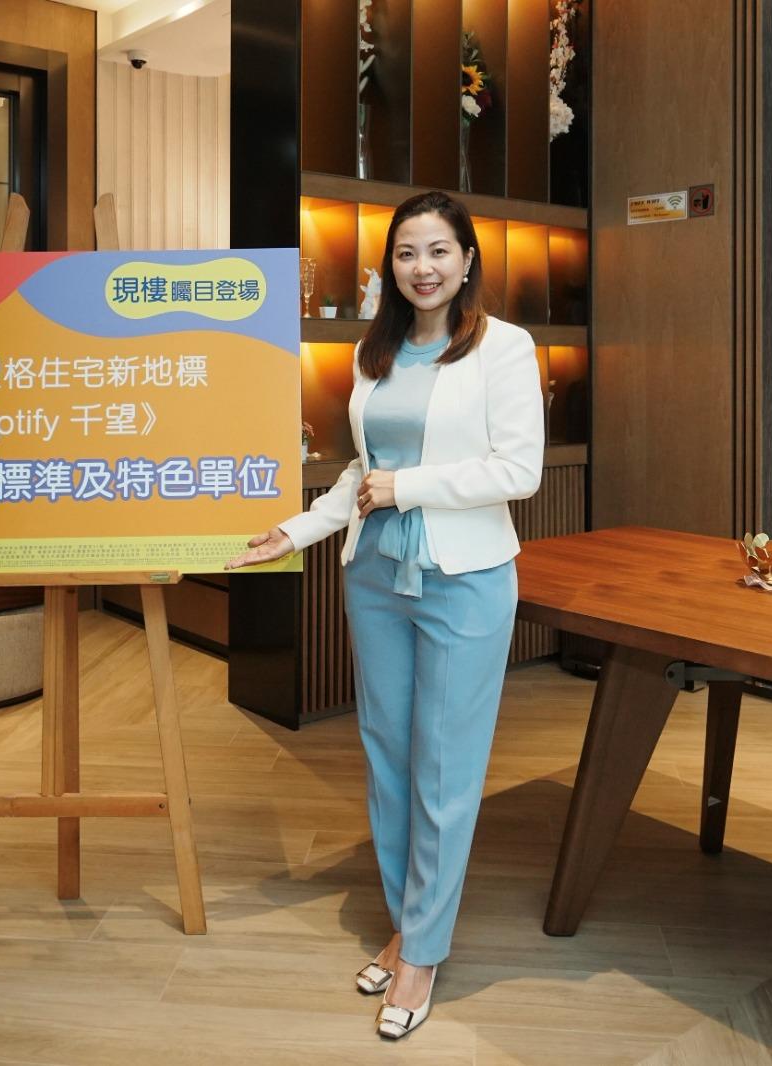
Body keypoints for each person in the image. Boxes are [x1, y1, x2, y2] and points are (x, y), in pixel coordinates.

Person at [225, 190, 544, 1039]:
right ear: (390, 265)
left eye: (438, 251)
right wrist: (294, 529)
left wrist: (409, 486)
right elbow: (361, 473)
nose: (422, 267)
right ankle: (409, 921)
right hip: (374, 575)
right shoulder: (378, 352)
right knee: (390, 759)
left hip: (464, 578)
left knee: (445, 768)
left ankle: (423, 953)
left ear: (467, 260)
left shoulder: (504, 347)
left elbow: (519, 470)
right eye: (406, 253)